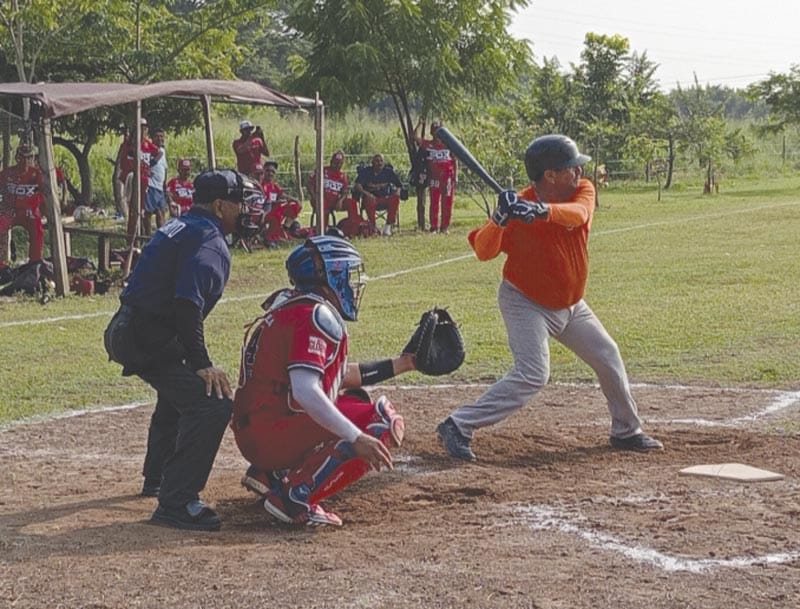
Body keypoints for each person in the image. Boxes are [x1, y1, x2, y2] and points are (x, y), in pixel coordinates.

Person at [436, 134, 663, 462]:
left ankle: (626, 431)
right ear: (550, 175)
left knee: (608, 356)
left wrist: (538, 211)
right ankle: (458, 425)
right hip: (524, 302)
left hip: (571, 305)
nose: (578, 173)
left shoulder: (580, 192)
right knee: (533, 373)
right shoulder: (516, 209)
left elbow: (579, 215)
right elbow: (484, 251)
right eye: (571, 168)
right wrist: (501, 218)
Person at [103, 169, 265, 531]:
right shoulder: (208, 239)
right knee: (212, 401)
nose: (247, 211)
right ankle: (176, 502)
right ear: (220, 205)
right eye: (240, 203)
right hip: (144, 335)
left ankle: (157, 476)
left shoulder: (187, 224)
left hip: (131, 328)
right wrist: (202, 363)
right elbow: (186, 305)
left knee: (182, 388)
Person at [232, 235, 414, 526]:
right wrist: (356, 437)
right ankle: (296, 497)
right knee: (381, 422)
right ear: (328, 275)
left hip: (258, 427)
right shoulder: (316, 316)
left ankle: (269, 474)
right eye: (346, 274)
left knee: (356, 400)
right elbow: (306, 390)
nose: (353, 284)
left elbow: (337, 377)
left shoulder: (291, 305)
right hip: (270, 433)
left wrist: (405, 364)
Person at [0, 144, 46, 262]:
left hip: (30, 211)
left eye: (29, 157)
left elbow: (44, 194)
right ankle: (1, 264)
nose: (25, 161)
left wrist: (43, 209)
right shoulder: (7, 173)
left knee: (37, 228)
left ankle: (35, 262)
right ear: (17, 157)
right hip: (10, 211)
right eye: (22, 157)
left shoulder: (37, 174)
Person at [415, 121, 457, 234]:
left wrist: (455, 176)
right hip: (434, 177)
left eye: (440, 131)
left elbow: (454, 160)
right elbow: (414, 137)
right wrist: (419, 124)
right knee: (434, 202)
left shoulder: (449, 144)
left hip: (447, 177)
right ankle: (434, 226)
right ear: (432, 132)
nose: (437, 134)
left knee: (447, 202)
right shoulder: (427, 144)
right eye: (435, 131)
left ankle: (445, 227)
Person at [307, 150, 361, 238]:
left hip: (335, 201)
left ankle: (350, 231)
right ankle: (322, 232)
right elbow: (309, 184)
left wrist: (341, 200)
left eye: (340, 163)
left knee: (352, 203)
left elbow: (344, 191)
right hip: (320, 199)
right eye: (335, 163)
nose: (337, 165)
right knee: (322, 205)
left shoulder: (342, 176)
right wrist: (314, 196)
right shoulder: (322, 170)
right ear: (331, 161)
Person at [354, 153, 402, 236]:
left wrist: (398, 191)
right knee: (369, 199)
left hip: (385, 198)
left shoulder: (388, 172)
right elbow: (357, 185)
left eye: (381, 161)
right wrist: (366, 193)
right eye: (377, 161)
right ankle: (373, 227)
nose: (379, 163)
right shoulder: (366, 172)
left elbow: (399, 185)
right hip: (371, 198)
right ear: (372, 162)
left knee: (395, 199)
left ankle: (388, 226)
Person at [258, 160, 302, 245]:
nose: (270, 174)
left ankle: (286, 229)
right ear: (263, 171)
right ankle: (271, 237)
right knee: (277, 213)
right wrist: (277, 202)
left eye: (273, 172)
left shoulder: (274, 186)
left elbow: (283, 195)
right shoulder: (260, 184)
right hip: (265, 212)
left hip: (276, 209)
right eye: (268, 171)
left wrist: (295, 200)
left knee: (295, 206)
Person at [143, 128, 168, 235]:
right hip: (151, 185)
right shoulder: (149, 150)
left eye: (162, 136)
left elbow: (165, 168)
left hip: (160, 187)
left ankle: (161, 238)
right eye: (157, 136)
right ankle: (147, 237)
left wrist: (164, 185)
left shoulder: (163, 151)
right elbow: (146, 163)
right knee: (148, 213)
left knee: (160, 213)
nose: (160, 138)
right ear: (152, 138)